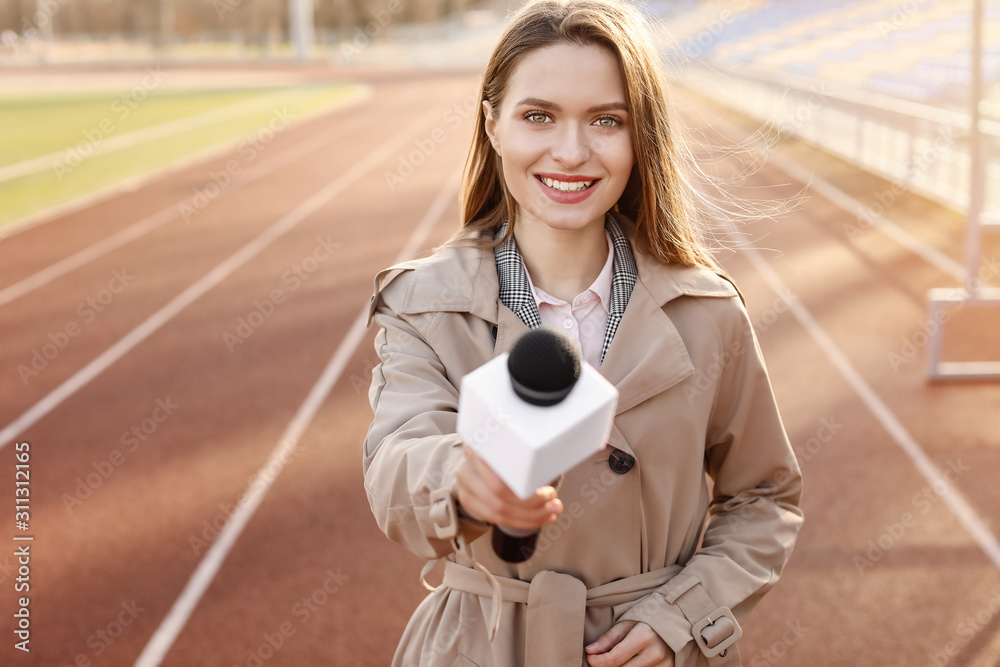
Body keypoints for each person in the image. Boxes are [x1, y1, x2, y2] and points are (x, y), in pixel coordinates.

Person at [362, 1, 804, 665]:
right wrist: (459, 475)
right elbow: (396, 463)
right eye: (538, 115)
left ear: (639, 137)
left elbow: (764, 495)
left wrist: (685, 614)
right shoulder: (427, 305)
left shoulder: (708, 312)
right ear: (493, 125)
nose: (570, 152)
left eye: (606, 120)